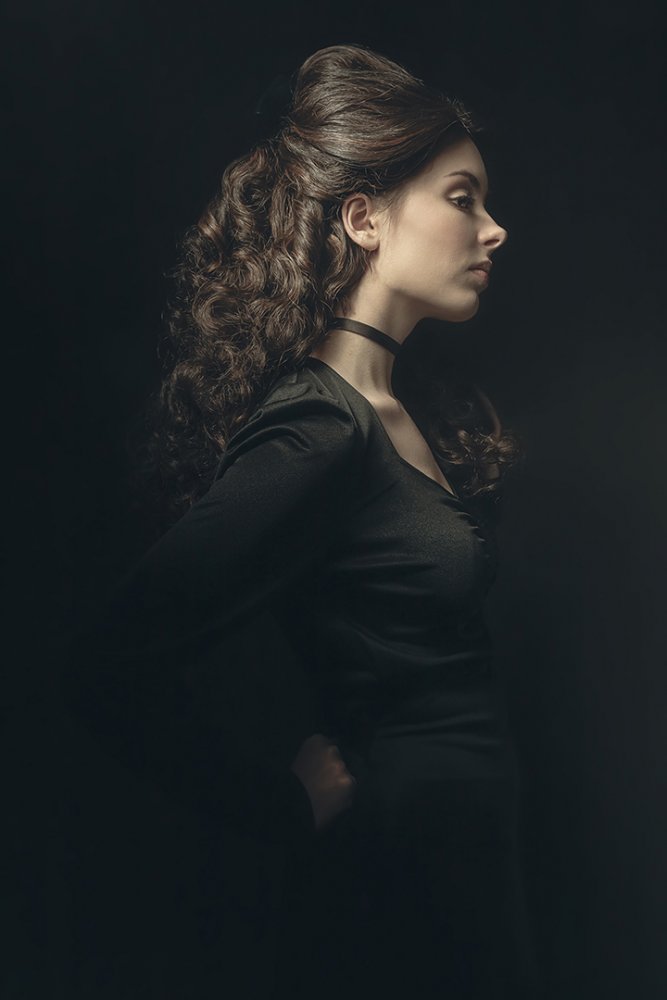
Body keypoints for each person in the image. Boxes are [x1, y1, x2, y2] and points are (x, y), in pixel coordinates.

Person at [65, 43, 542, 999]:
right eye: (461, 199)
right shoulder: (320, 428)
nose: (493, 230)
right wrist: (278, 805)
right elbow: (111, 661)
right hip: (405, 892)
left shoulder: (399, 410)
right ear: (363, 219)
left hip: (467, 870)